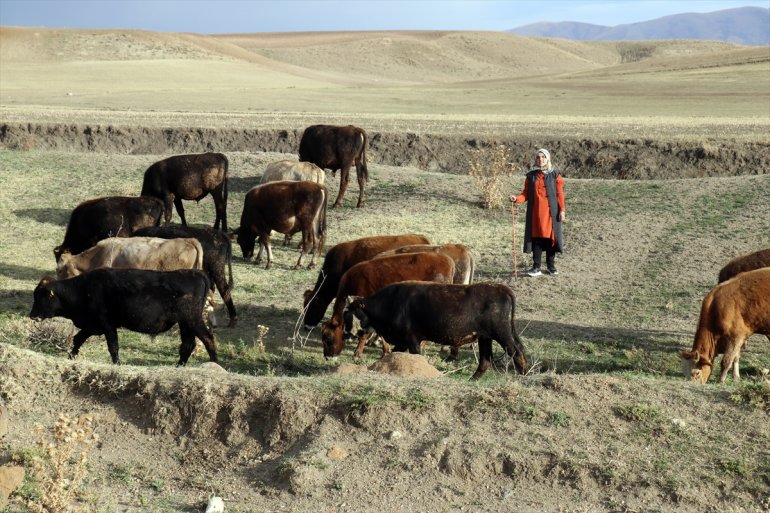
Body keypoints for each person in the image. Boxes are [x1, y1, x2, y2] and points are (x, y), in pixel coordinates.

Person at [508, 148, 566, 277]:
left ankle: (551, 266)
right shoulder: (531, 176)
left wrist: (562, 210)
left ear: (548, 159)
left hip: (551, 213)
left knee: (550, 239)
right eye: (538, 157)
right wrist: (516, 199)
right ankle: (536, 267)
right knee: (537, 239)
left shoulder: (555, 174)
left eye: (543, 157)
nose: (541, 159)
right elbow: (525, 194)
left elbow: (560, 194)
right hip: (535, 214)